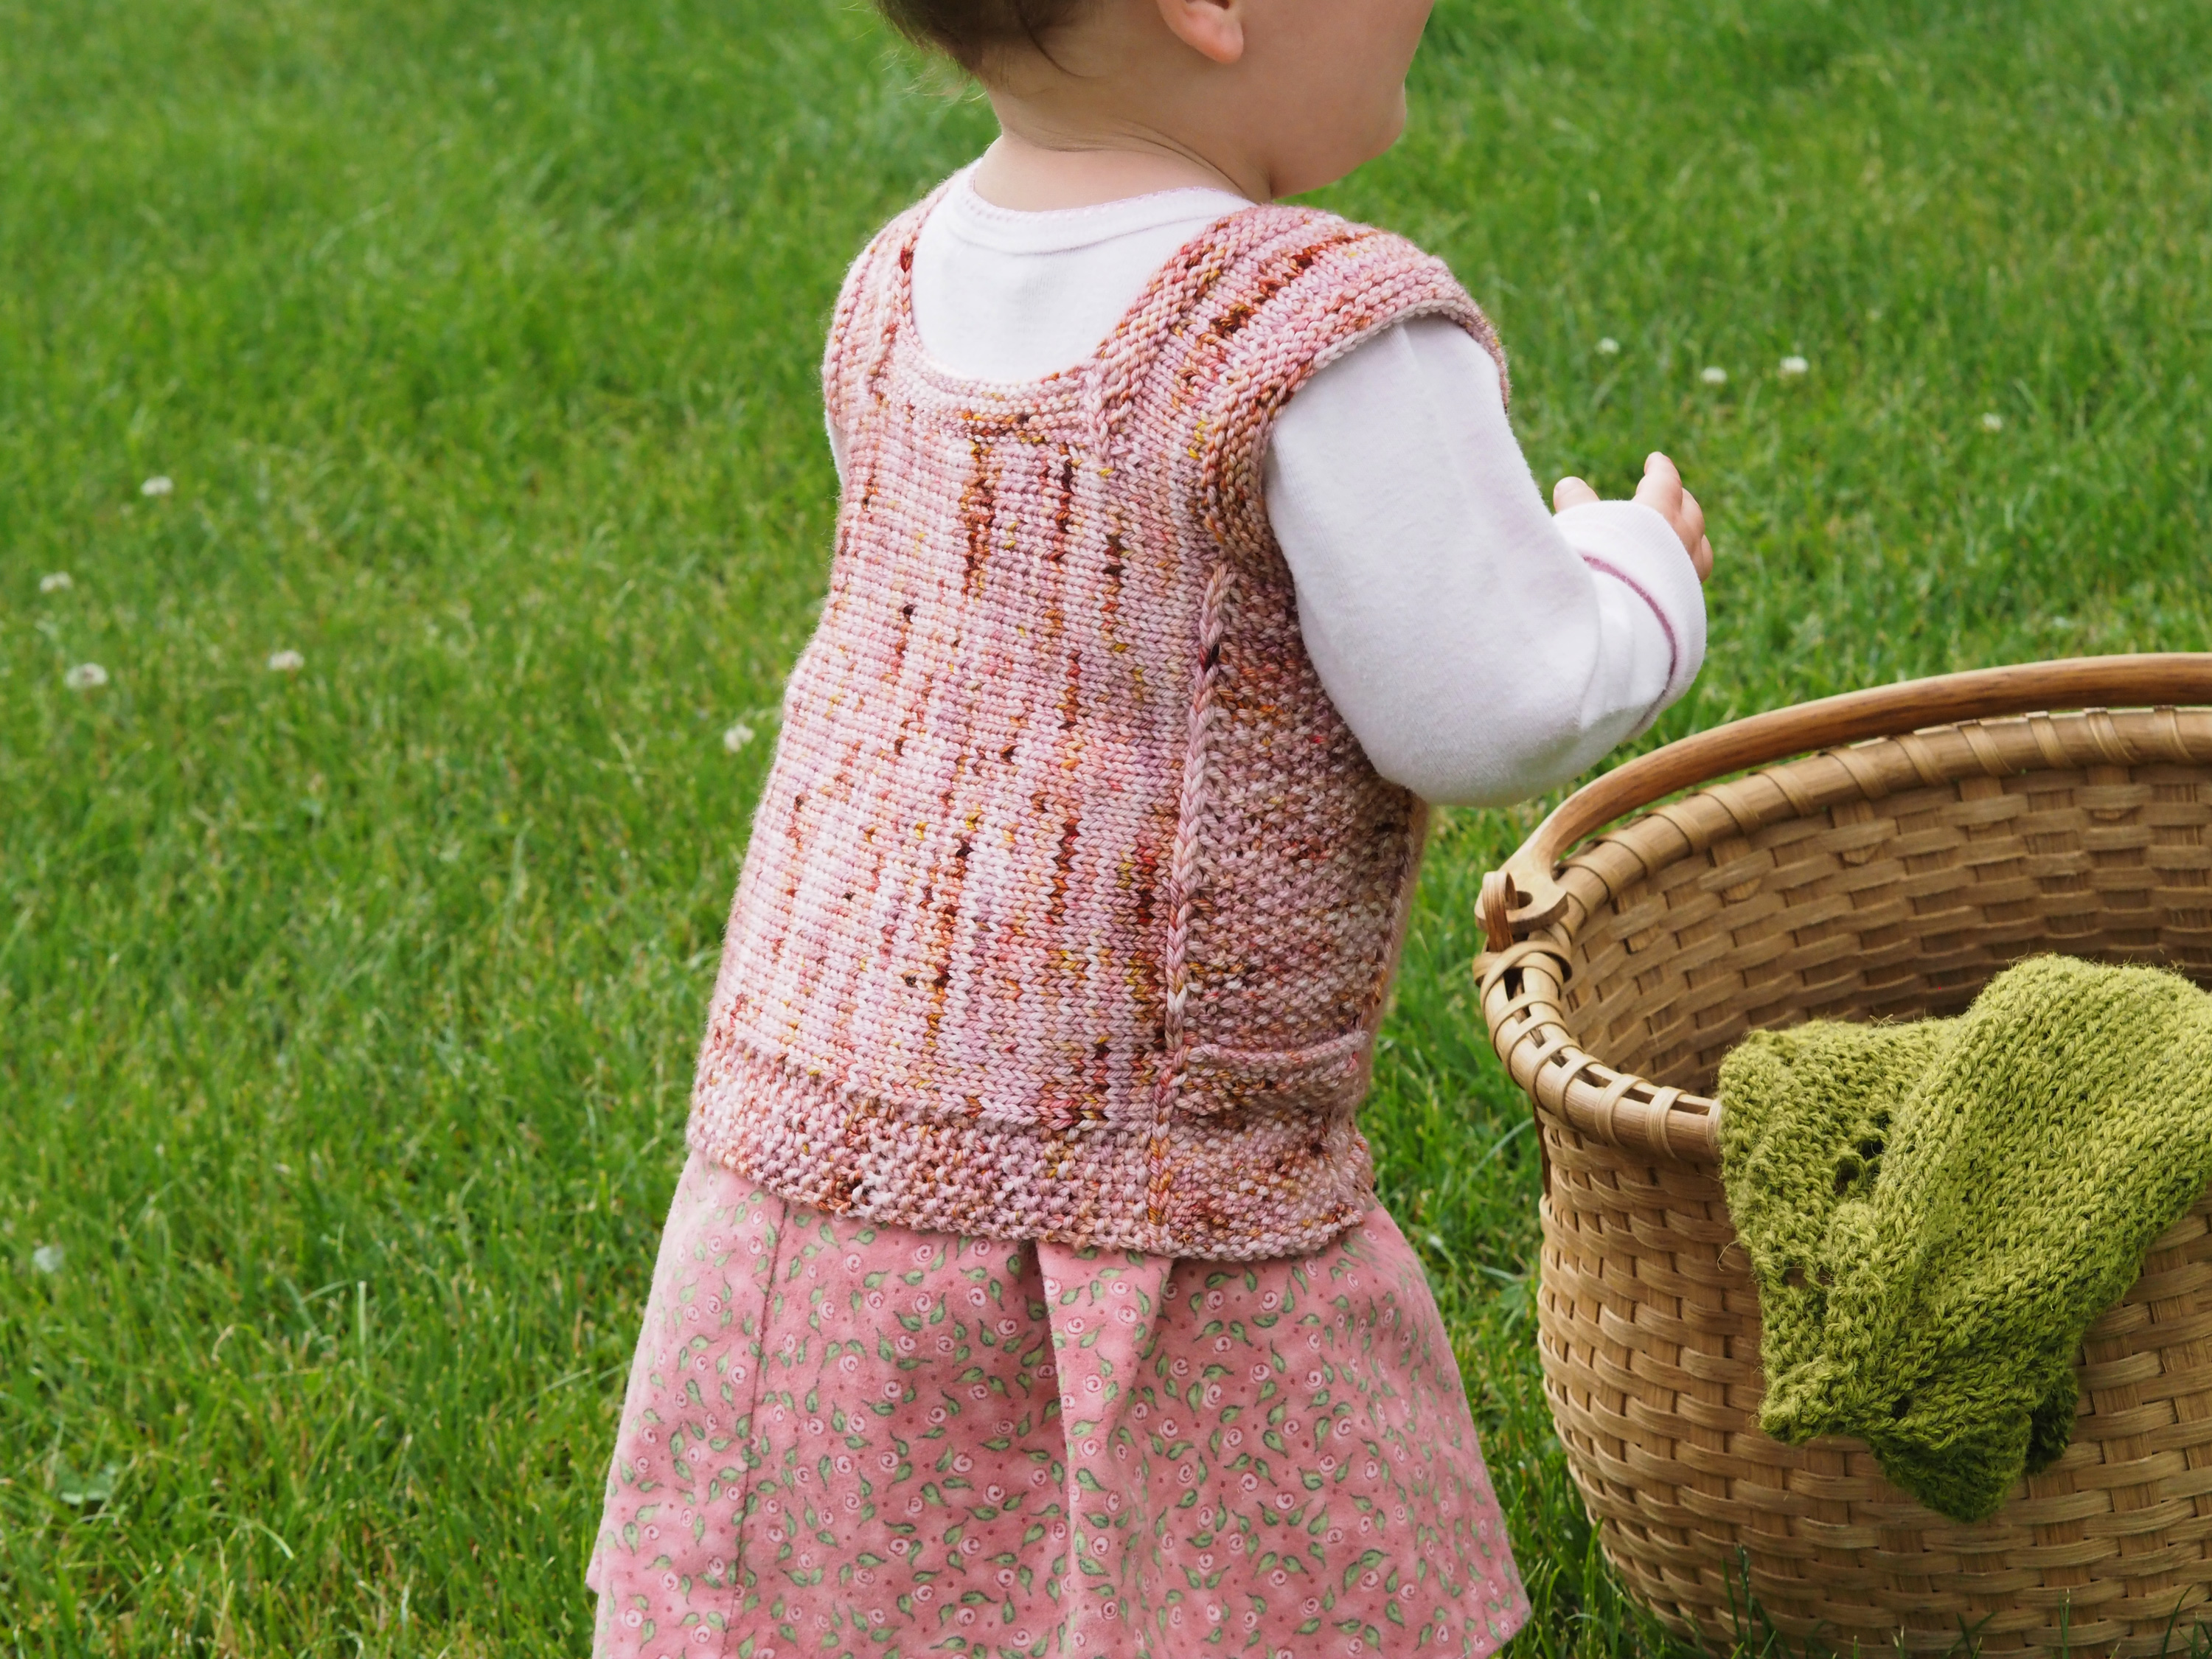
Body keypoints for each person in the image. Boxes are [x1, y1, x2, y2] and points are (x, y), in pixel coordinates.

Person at [587, 0, 1715, 1651]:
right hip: (1149, 1171)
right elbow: (1491, 704)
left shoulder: (902, 281)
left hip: (806, 1159)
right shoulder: (1317, 331)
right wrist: (1635, 578)